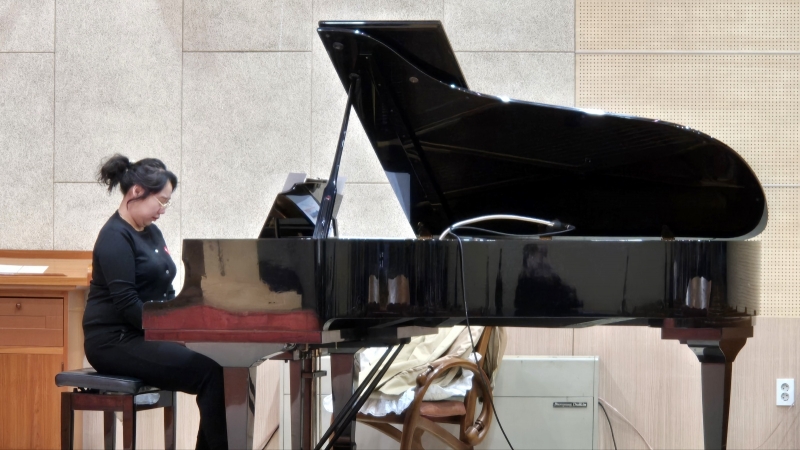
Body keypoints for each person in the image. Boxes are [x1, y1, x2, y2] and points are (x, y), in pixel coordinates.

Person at [82, 154, 228, 449]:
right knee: (210, 371)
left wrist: (187, 324)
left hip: (143, 333)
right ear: (136, 191)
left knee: (223, 363)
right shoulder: (114, 237)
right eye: (160, 201)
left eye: (167, 203)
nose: (162, 210)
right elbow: (127, 304)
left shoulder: (150, 231)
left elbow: (164, 289)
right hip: (114, 340)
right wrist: (170, 332)